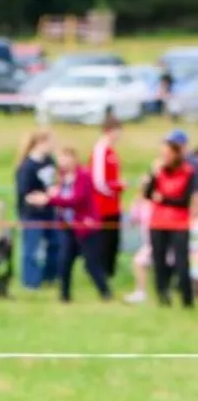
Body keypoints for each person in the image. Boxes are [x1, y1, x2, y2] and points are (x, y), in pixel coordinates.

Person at [27, 147, 111, 302]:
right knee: (64, 261)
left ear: (74, 158)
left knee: (91, 264)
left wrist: (49, 200)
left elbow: (76, 200)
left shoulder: (83, 176)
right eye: (61, 157)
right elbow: (60, 199)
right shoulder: (61, 177)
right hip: (68, 227)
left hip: (85, 227)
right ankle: (64, 296)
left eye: (66, 157)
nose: (63, 161)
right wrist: (46, 197)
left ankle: (105, 293)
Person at [142, 129, 196, 308]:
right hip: (158, 221)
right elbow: (149, 193)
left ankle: (186, 298)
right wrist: (152, 175)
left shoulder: (189, 170)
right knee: (159, 259)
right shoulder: (159, 170)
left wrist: (164, 198)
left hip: (179, 223)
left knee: (181, 261)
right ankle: (162, 296)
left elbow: (185, 200)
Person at [14, 128, 61, 289]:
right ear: (40, 143)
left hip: (50, 212)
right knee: (31, 249)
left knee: (56, 244)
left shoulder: (50, 160)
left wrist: (54, 194)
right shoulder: (27, 166)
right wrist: (44, 198)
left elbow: (55, 182)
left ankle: (50, 277)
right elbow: (25, 194)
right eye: (50, 141)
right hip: (32, 214)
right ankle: (30, 282)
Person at [89, 114, 124, 278]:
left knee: (113, 239)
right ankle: (101, 271)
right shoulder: (100, 149)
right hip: (103, 205)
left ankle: (109, 271)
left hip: (113, 204)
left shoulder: (111, 150)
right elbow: (98, 181)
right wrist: (116, 188)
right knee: (104, 239)